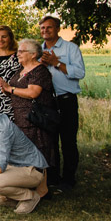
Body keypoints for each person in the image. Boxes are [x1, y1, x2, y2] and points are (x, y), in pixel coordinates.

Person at [0, 39, 58, 191]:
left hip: (34, 120)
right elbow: (17, 90)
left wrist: (10, 89)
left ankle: (41, 189)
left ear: (33, 54)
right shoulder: (21, 70)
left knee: (38, 151)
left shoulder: (39, 71)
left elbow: (33, 93)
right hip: (20, 118)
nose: (18, 54)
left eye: (21, 51)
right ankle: (27, 185)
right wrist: (5, 88)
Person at [40, 15, 85, 189]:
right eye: (43, 28)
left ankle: (68, 179)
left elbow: (80, 72)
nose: (45, 31)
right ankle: (52, 177)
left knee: (68, 141)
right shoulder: (38, 50)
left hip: (66, 100)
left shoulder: (70, 48)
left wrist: (56, 63)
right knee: (50, 141)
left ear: (58, 29)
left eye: (49, 27)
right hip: (46, 102)